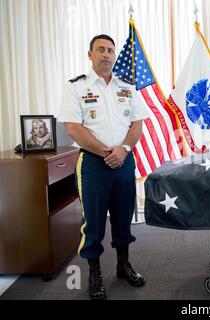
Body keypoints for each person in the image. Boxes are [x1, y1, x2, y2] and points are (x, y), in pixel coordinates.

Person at [58, 34, 148, 300]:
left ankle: (123, 265)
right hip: (93, 164)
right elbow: (72, 126)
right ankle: (95, 273)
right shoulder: (76, 87)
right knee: (94, 222)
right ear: (90, 55)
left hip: (123, 161)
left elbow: (137, 124)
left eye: (110, 50)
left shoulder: (127, 87)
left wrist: (123, 151)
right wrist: (106, 152)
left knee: (123, 216)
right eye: (100, 50)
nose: (106, 54)